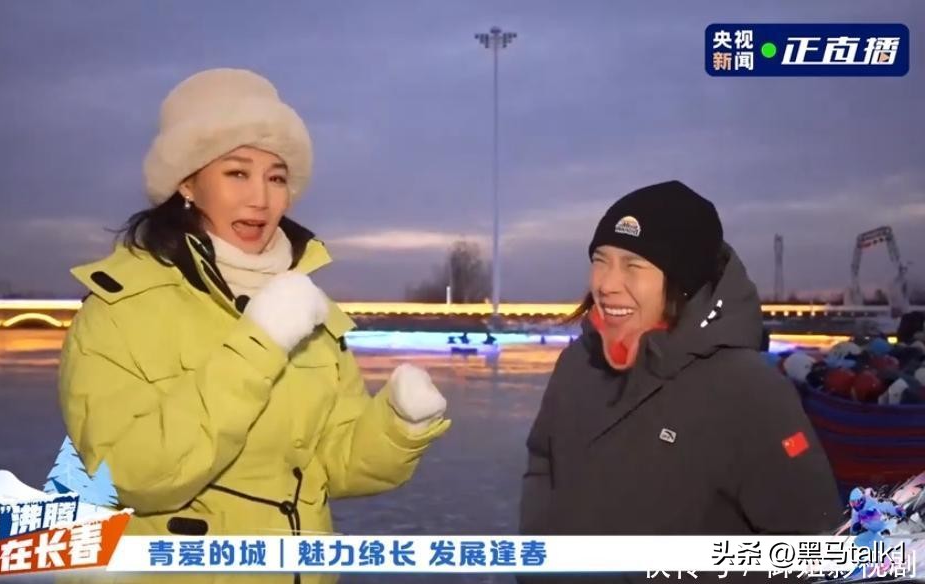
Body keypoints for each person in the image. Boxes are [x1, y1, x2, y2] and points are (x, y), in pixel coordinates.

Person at [58, 68, 450, 583]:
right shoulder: (121, 308)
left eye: (277, 177)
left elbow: (331, 467)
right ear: (187, 183)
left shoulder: (308, 306)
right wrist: (259, 343)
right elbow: (133, 474)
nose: (261, 199)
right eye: (237, 174)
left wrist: (399, 425)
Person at [518, 181, 841, 582]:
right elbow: (543, 462)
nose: (606, 283)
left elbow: (813, 550)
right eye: (601, 261)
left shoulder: (748, 391)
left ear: (682, 282)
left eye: (632, 266)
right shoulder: (577, 364)